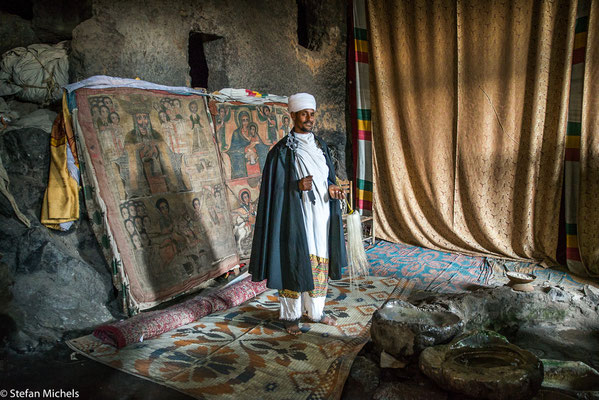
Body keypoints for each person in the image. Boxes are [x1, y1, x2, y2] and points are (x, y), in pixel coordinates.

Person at [249, 93, 347, 335]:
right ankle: (290, 315)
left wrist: (333, 188)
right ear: (292, 115)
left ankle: (316, 312)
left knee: (319, 261)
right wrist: (295, 186)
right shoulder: (281, 152)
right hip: (294, 217)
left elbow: (327, 179)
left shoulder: (320, 146)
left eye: (312, 114)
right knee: (292, 260)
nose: (309, 119)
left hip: (321, 214)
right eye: (304, 114)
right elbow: (273, 191)